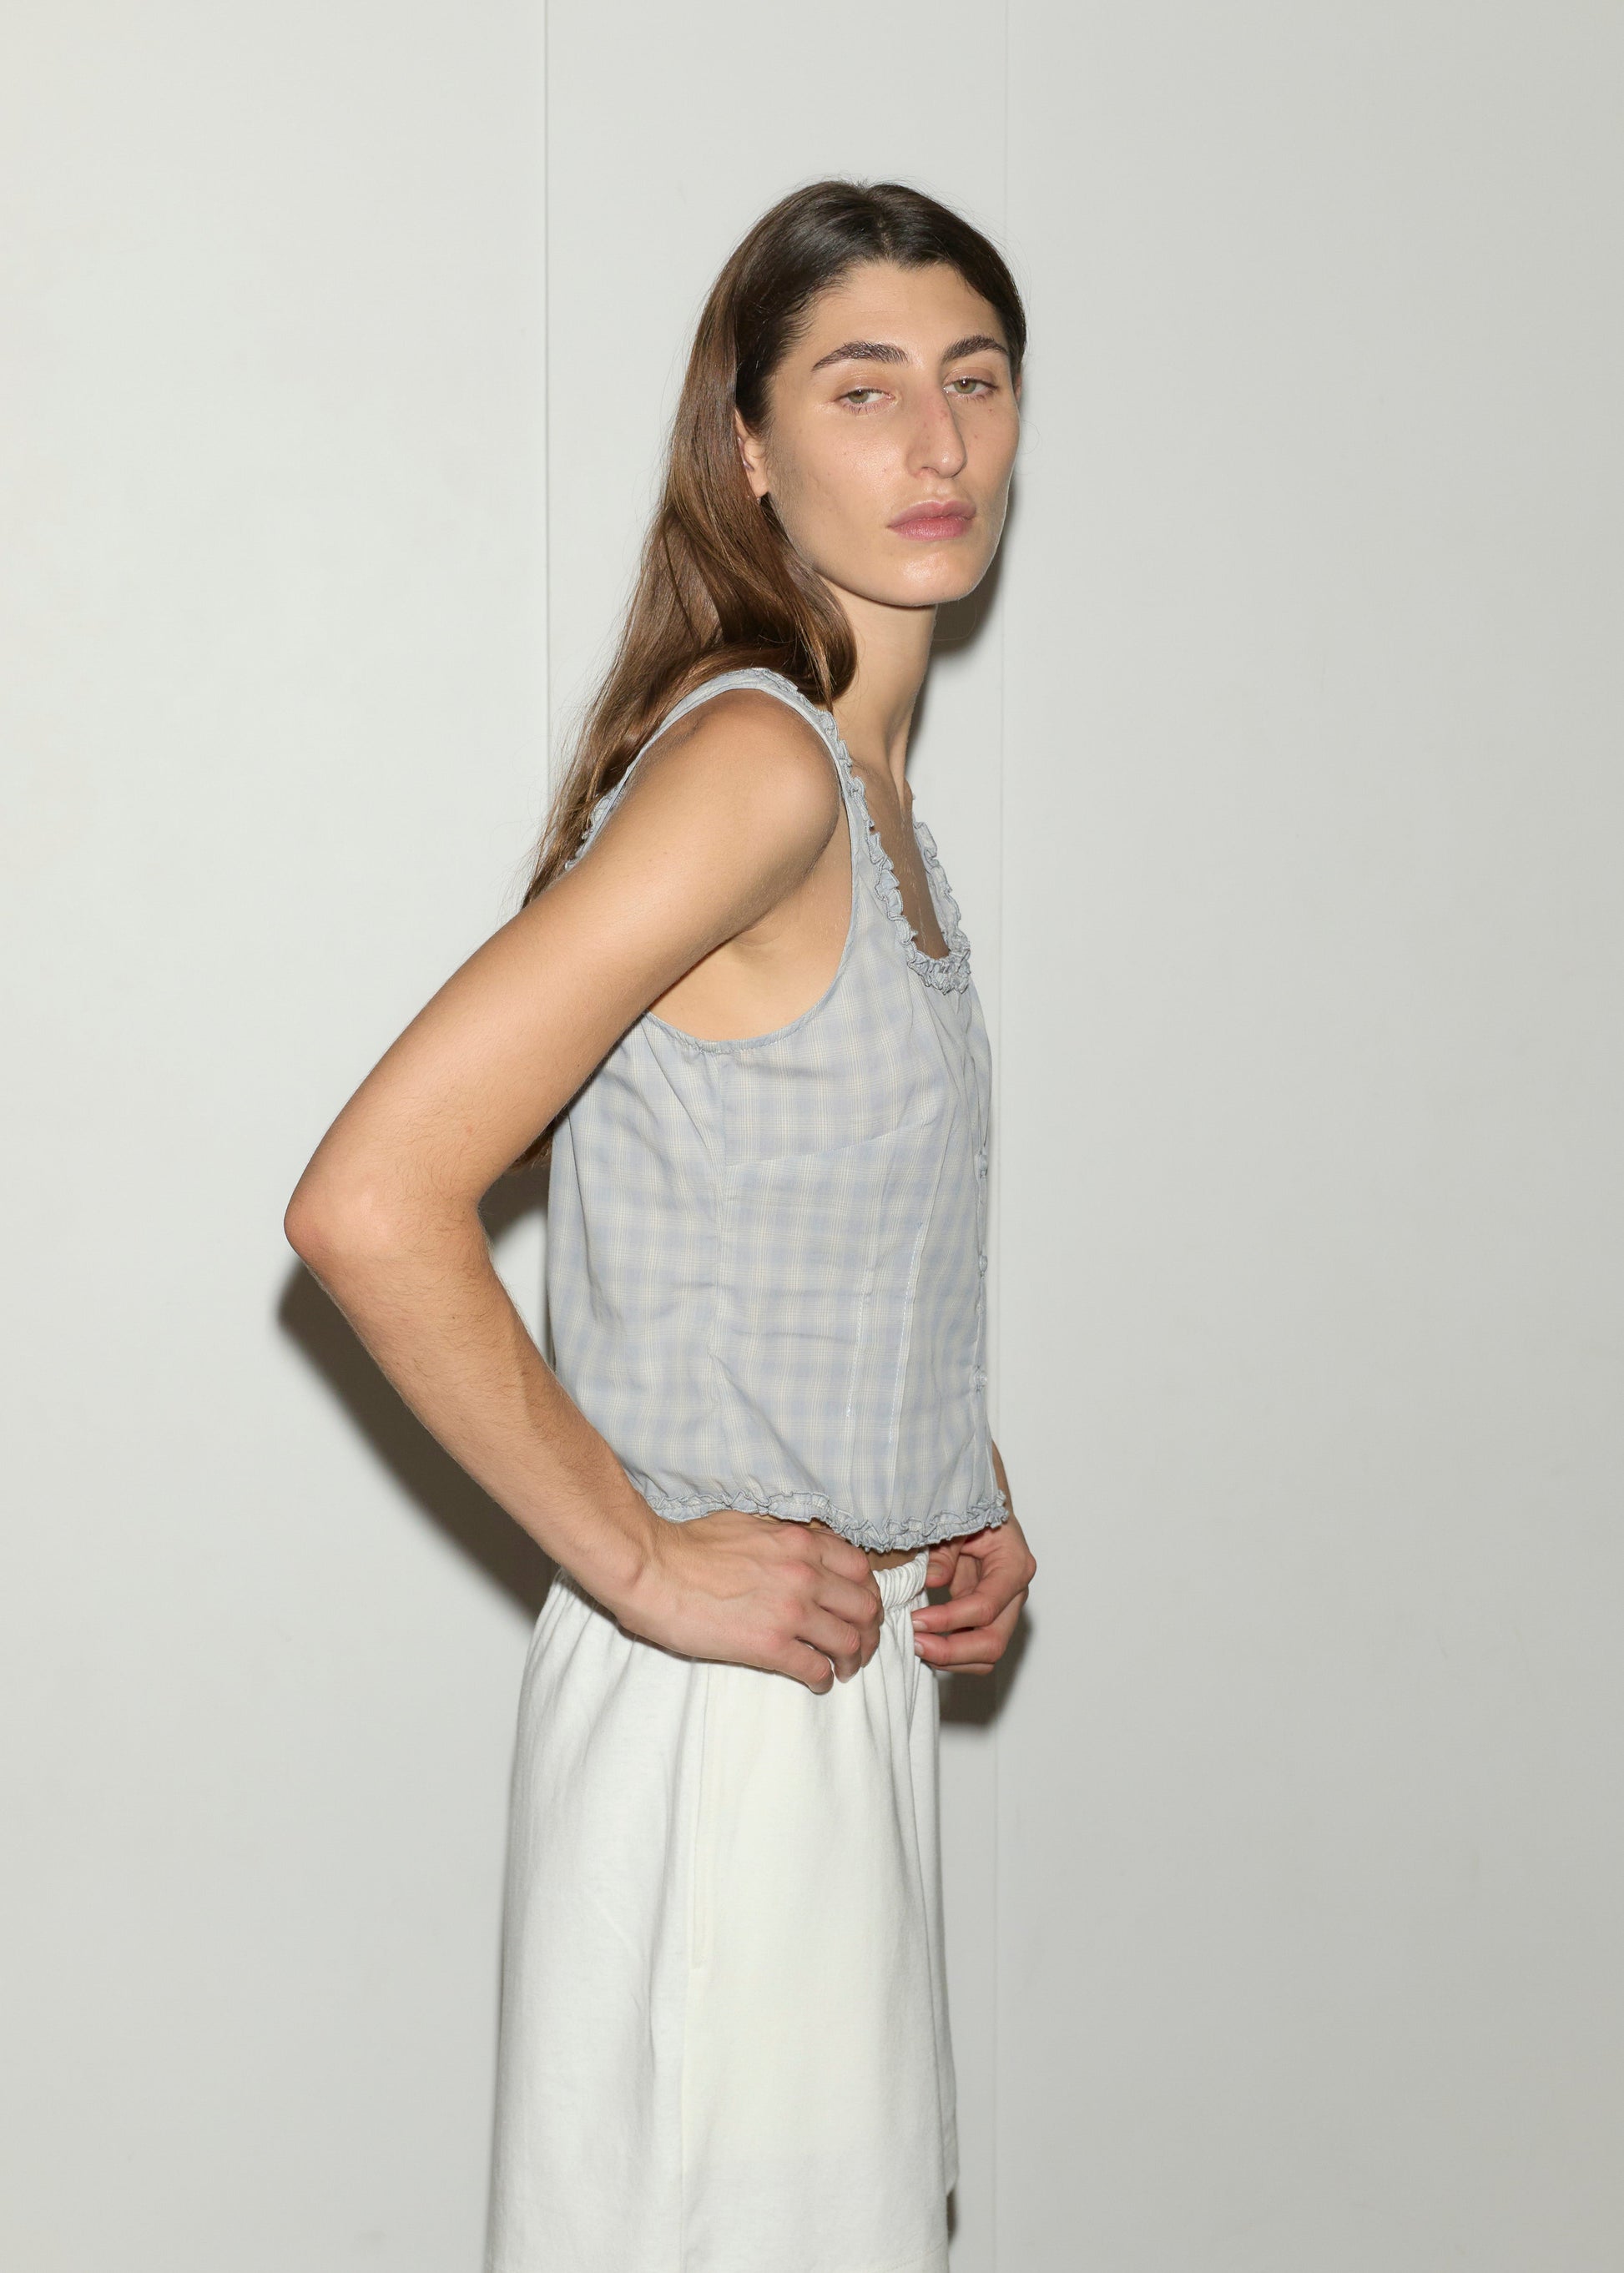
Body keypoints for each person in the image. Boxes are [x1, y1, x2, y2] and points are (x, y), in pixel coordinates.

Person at [284, 176, 1037, 2273]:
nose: (939, 444)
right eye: (864, 387)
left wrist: (948, 1490)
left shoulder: (868, 801)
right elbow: (369, 1199)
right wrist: (633, 1558)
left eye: (975, 380)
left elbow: (784, 1225)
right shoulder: (757, 769)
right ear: (749, 447)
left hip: (834, 1691)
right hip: (726, 1730)